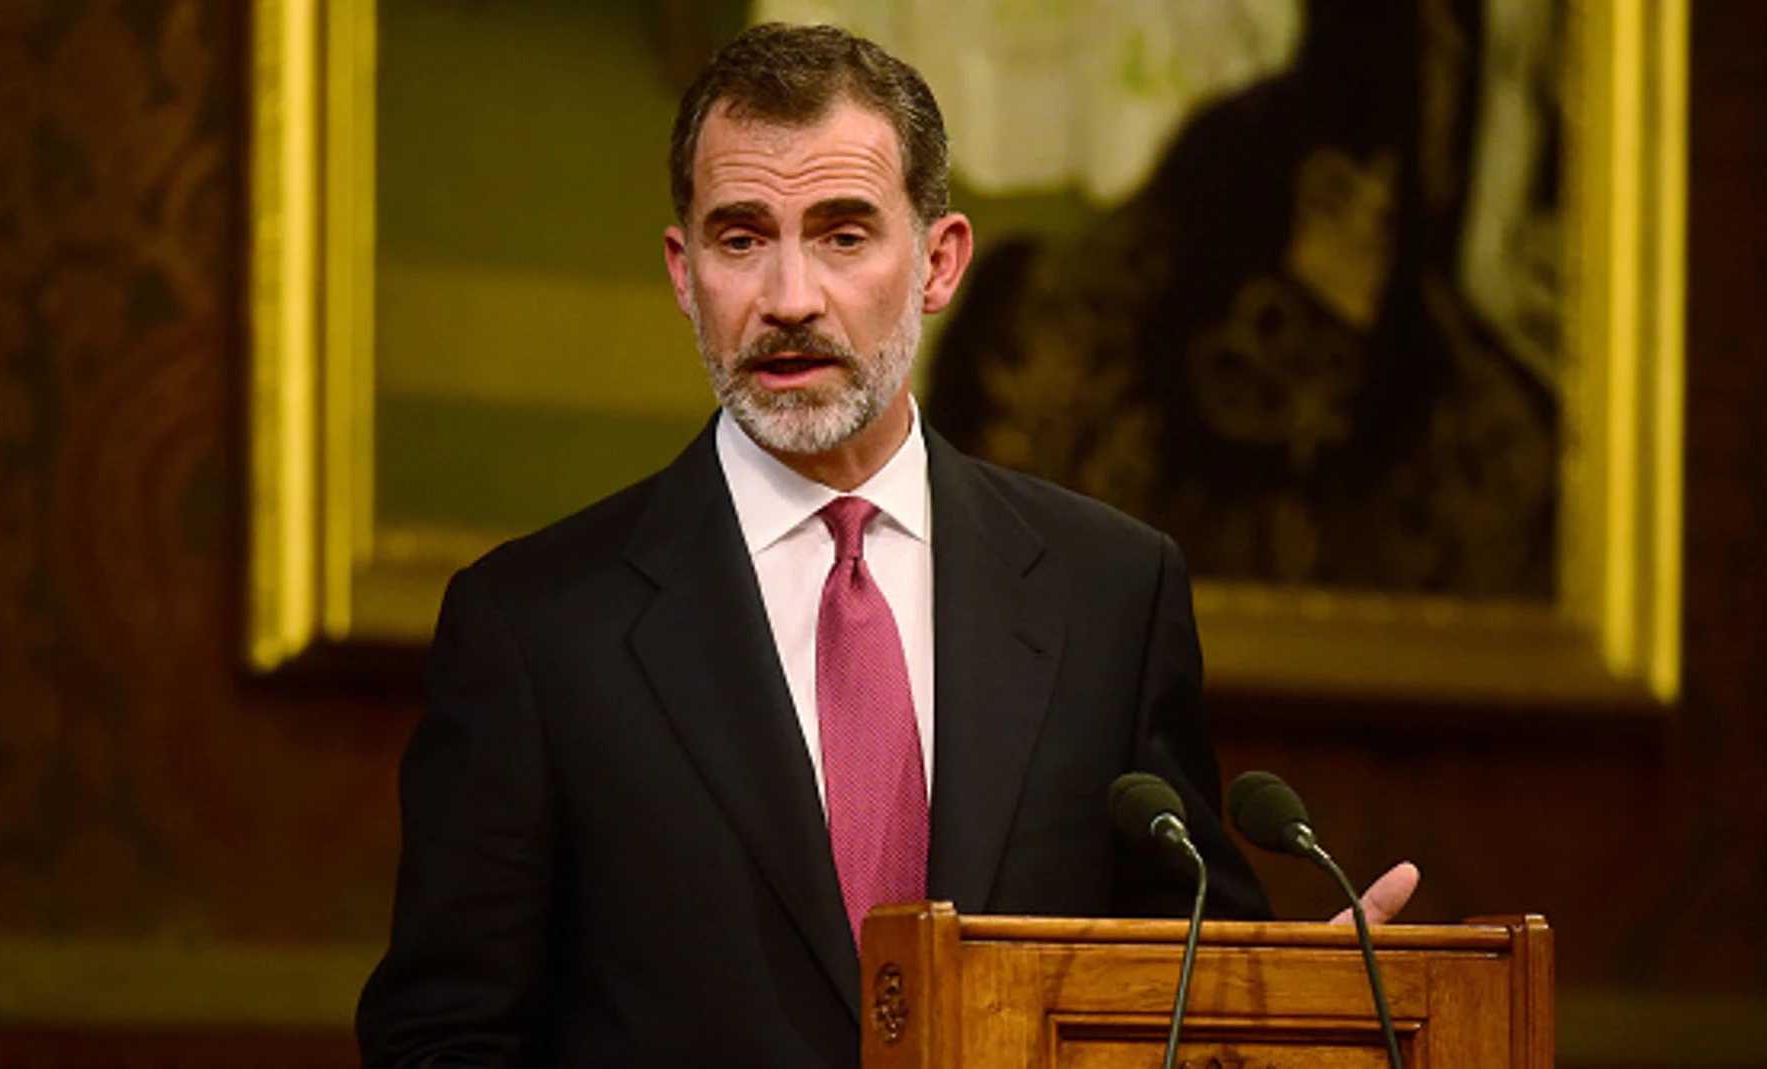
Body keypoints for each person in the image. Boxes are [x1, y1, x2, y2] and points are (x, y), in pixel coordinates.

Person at [356, 22, 1414, 1069]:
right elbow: (440, 1039)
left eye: (843, 233)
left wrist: (1283, 1028)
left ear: (939, 262)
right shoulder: (538, 628)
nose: (788, 299)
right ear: (684, 273)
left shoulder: (1108, 593)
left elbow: (1181, 977)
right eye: (739, 238)